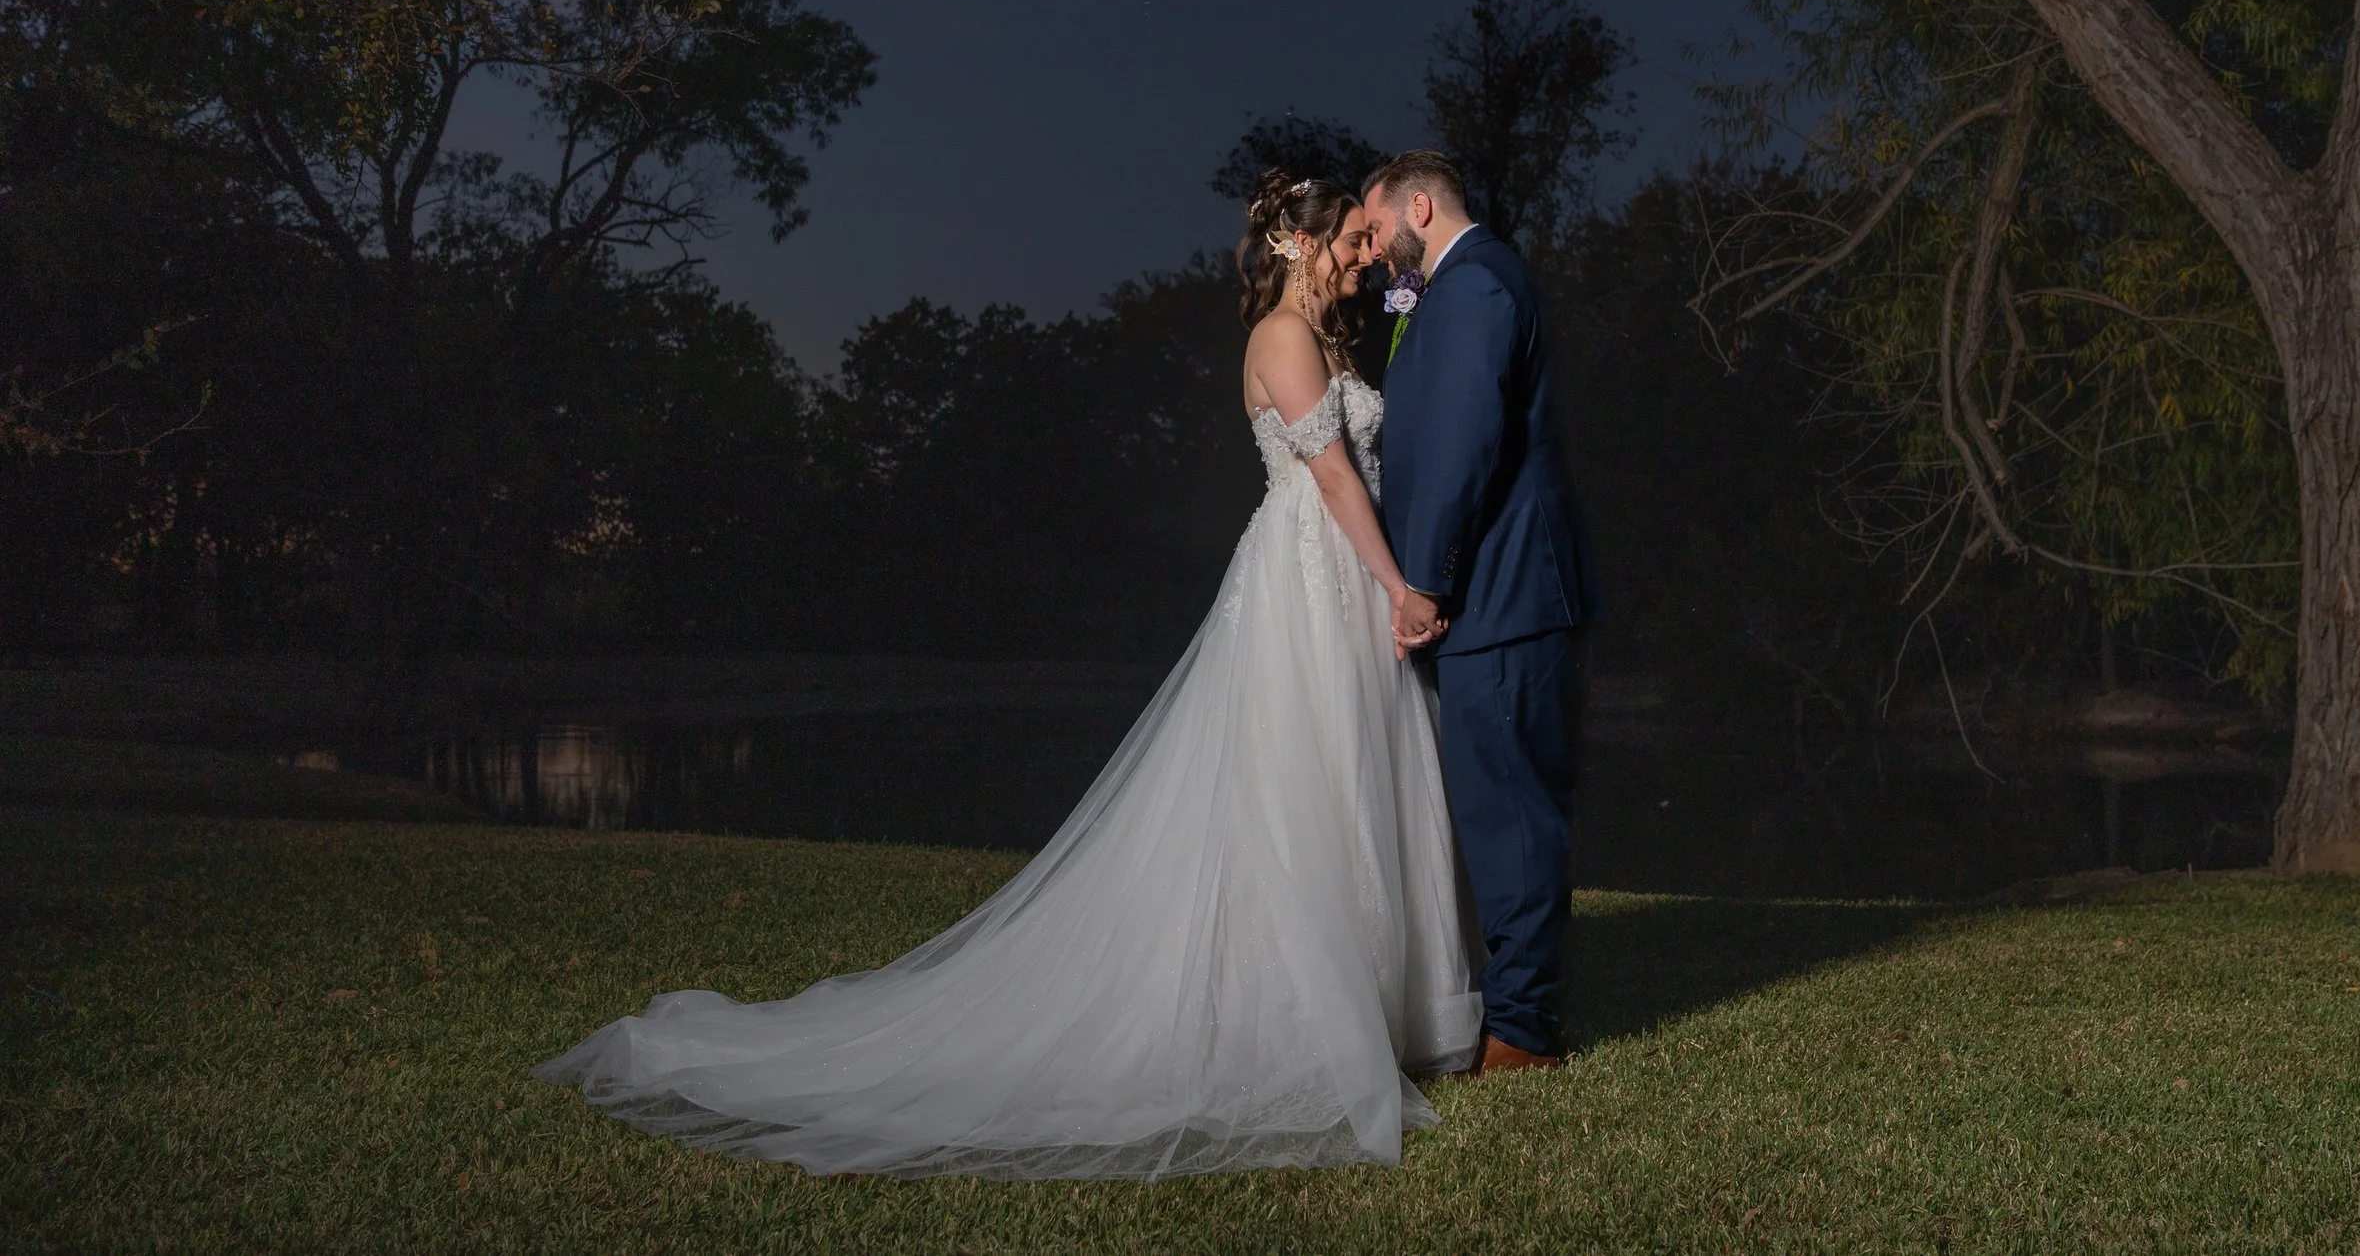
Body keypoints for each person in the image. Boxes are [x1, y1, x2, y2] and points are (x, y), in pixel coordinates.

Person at [536, 171, 1481, 1180]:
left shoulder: (1339, 334)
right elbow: (1332, 474)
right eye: (1343, 240)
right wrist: (1400, 586)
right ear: (1297, 244)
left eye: (1360, 244)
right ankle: (1293, 1020)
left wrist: (1412, 291)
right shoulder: (1283, 341)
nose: (1356, 256)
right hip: (1311, 577)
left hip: (1341, 575)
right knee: (1298, 793)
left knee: (1352, 785)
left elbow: (1384, 388)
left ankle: (1384, 1009)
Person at [1362, 149, 1602, 1074]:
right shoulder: (1457, 286)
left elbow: (1464, 440)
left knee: (1515, 812)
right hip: (1498, 597)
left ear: (1420, 205)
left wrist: (1424, 579)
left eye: (1381, 230)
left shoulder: (1475, 287)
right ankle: (1515, 1011)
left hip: (1503, 595)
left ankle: (1523, 1033)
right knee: (1501, 805)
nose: (1379, 254)